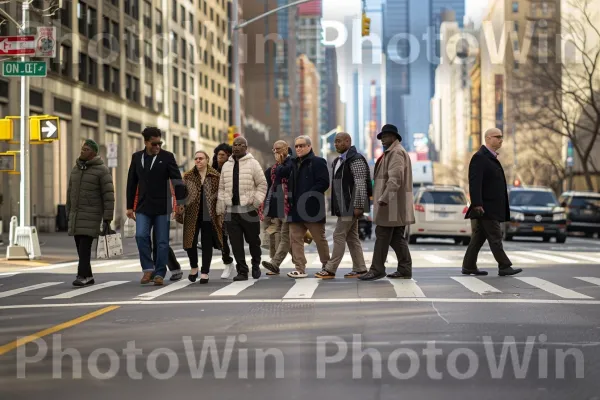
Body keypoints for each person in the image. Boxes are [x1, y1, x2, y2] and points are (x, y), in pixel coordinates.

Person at [126, 127, 186, 286]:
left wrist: (180, 203)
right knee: (140, 236)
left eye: (160, 143)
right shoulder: (137, 157)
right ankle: (148, 269)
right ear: (146, 142)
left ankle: (159, 273)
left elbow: (177, 180)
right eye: (154, 144)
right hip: (143, 206)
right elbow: (131, 183)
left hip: (162, 206)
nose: (158, 146)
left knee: (162, 241)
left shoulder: (167, 157)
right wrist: (129, 206)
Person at [462, 128, 523, 276]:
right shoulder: (480, 157)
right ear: (488, 138)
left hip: (490, 206)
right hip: (486, 208)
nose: (501, 139)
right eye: (497, 137)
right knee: (495, 237)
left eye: (501, 137)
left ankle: (469, 266)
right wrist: (477, 204)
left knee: (478, 238)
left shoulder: (490, 157)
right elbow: (475, 182)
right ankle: (504, 266)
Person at [360, 124, 414, 281]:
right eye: (381, 136)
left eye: (385, 136)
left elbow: (395, 179)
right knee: (396, 237)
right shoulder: (392, 152)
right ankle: (404, 269)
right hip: (393, 204)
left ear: (394, 137)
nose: (382, 139)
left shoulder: (396, 153)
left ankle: (377, 269)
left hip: (391, 204)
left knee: (382, 235)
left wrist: (384, 198)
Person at [316, 132, 371, 279]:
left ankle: (330, 269)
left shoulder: (356, 159)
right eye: (335, 142)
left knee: (338, 235)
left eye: (339, 141)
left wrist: (359, 205)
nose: (336, 144)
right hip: (343, 206)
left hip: (351, 205)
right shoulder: (338, 161)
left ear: (348, 141)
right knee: (352, 237)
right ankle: (360, 268)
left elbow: (360, 184)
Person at [278, 135, 331, 279]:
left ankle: (327, 266)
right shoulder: (292, 162)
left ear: (309, 146)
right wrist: (282, 163)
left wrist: (308, 195)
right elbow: (279, 175)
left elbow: (324, 183)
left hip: (312, 208)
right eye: (296, 146)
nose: (299, 148)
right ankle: (300, 269)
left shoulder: (318, 162)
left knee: (319, 239)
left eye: (302, 145)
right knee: (295, 239)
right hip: (295, 208)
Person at [217, 136, 268, 281]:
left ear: (246, 147)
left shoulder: (253, 164)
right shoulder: (227, 165)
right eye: (234, 145)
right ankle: (242, 271)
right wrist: (221, 207)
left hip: (249, 211)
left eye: (240, 145)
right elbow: (221, 188)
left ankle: (256, 266)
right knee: (236, 244)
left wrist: (256, 202)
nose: (237, 147)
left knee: (253, 241)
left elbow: (262, 184)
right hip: (231, 213)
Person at [66, 139, 115, 286]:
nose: (82, 151)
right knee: (80, 248)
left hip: (92, 216)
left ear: (93, 153)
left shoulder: (102, 170)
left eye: (86, 149)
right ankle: (89, 276)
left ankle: (82, 275)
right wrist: (68, 213)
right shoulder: (76, 169)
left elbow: (108, 196)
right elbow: (70, 193)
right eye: (82, 148)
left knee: (84, 247)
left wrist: (107, 218)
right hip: (76, 216)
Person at [177, 150, 223, 284]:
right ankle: (194, 267)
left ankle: (205, 272)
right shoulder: (188, 176)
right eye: (196, 158)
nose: (198, 161)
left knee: (207, 243)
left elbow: (220, 196)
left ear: (207, 160)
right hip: (192, 213)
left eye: (201, 158)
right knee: (190, 242)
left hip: (210, 215)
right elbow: (182, 195)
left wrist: (221, 212)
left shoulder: (215, 176)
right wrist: (179, 207)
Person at [133, 184, 182, 281]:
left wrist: (176, 205)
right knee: (145, 237)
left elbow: (173, 186)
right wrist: (134, 206)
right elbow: (137, 188)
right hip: (145, 206)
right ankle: (152, 269)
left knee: (160, 241)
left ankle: (167, 269)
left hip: (162, 205)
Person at [260, 141, 294, 276]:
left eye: (278, 149)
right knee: (276, 236)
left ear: (286, 149)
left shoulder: (291, 163)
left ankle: (278, 263)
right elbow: (268, 187)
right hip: (275, 207)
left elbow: (284, 174)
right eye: (274, 150)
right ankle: (276, 264)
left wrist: (280, 164)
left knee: (287, 237)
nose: (276, 152)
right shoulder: (272, 169)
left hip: (288, 206)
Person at [212, 143, 235, 278]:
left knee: (231, 237)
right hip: (215, 208)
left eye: (222, 155)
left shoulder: (232, 169)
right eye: (218, 154)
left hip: (230, 207)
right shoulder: (212, 169)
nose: (219, 157)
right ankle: (228, 262)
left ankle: (236, 264)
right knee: (221, 238)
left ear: (228, 156)